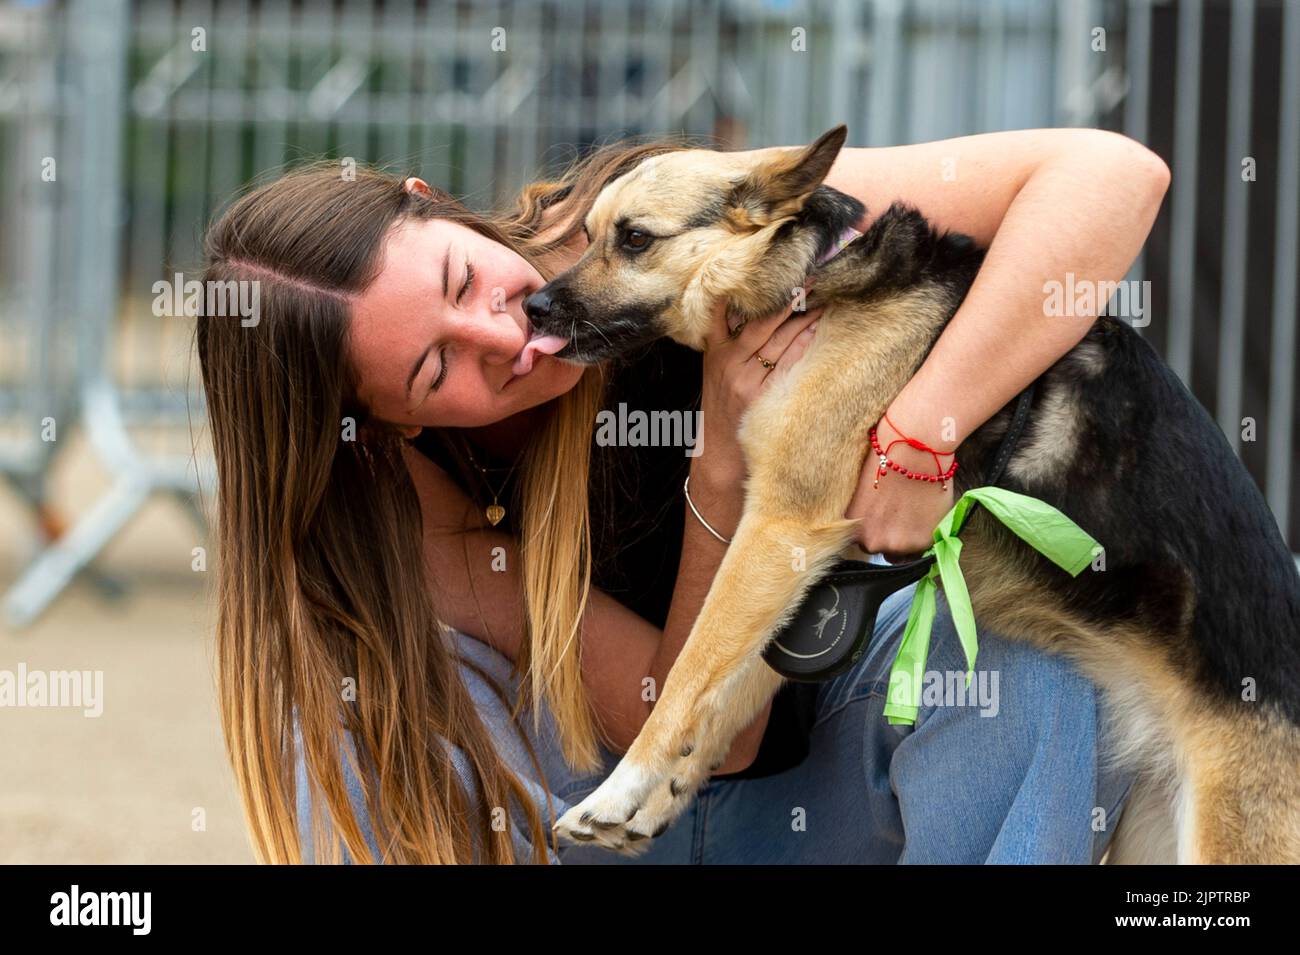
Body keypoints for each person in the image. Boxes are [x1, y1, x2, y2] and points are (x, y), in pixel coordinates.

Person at [195, 128, 1170, 864]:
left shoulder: (655, 216)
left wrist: (926, 432)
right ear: (393, 424)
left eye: (461, 278)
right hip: (626, 814)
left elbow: (1110, 177)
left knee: (1006, 641)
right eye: (434, 365)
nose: (498, 337)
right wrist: (720, 464)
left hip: (827, 781)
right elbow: (717, 737)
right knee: (343, 698)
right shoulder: (415, 511)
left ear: (434, 203)